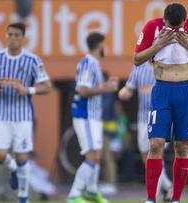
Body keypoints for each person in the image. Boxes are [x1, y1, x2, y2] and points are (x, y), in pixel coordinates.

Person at [133, 3, 188, 203]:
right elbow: (137, 59)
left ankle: (176, 199)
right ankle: (151, 198)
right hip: (162, 90)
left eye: (179, 27)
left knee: (182, 145)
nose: (175, 31)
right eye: (171, 26)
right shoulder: (152, 27)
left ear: (185, 20)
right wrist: (159, 44)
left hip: (186, 91)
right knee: (156, 143)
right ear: (164, 20)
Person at [0, 22, 52, 203]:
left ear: (23, 38)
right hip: (0, 114)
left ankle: (23, 197)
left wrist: (28, 90)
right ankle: (13, 168)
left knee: (23, 157)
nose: (12, 38)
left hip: (22, 115)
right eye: (10, 35)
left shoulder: (32, 60)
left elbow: (47, 86)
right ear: (5, 36)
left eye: (16, 35)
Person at [68, 32, 118, 203]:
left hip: (94, 117)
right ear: (99, 45)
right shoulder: (87, 63)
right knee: (92, 156)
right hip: (85, 116)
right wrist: (105, 88)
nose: (106, 48)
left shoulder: (95, 64)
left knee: (97, 154)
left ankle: (91, 191)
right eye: (105, 44)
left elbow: (92, 88)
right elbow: (82, 90)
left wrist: (106, 86)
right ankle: (74, 195)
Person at [118, 62, 172, 201]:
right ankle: (166, 185)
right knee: (146, 156)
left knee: (156, 153)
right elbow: (129, 88)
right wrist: (123, 92)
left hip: (162, 116)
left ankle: (156, 194)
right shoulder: (139, 67)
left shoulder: (165, 63)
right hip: (143, 118)